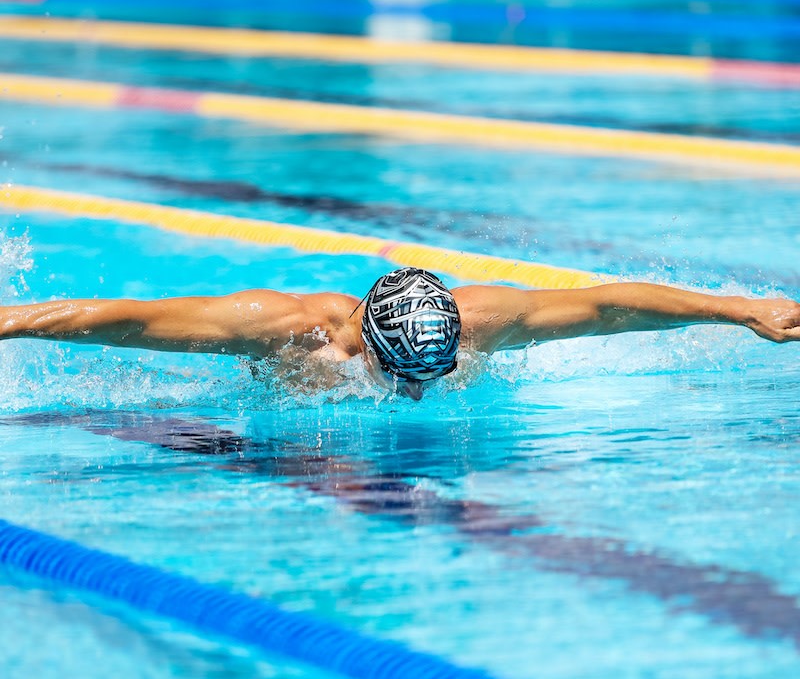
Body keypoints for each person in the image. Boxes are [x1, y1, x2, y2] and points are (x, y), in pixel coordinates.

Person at [1, 267, 799, 400]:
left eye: (433, 374)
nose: (418, 394)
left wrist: (741, 310)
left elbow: (604, 307)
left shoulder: (477, 320)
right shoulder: (288, 333)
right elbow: (129, 321)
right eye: (403, 377)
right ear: (366, 348)